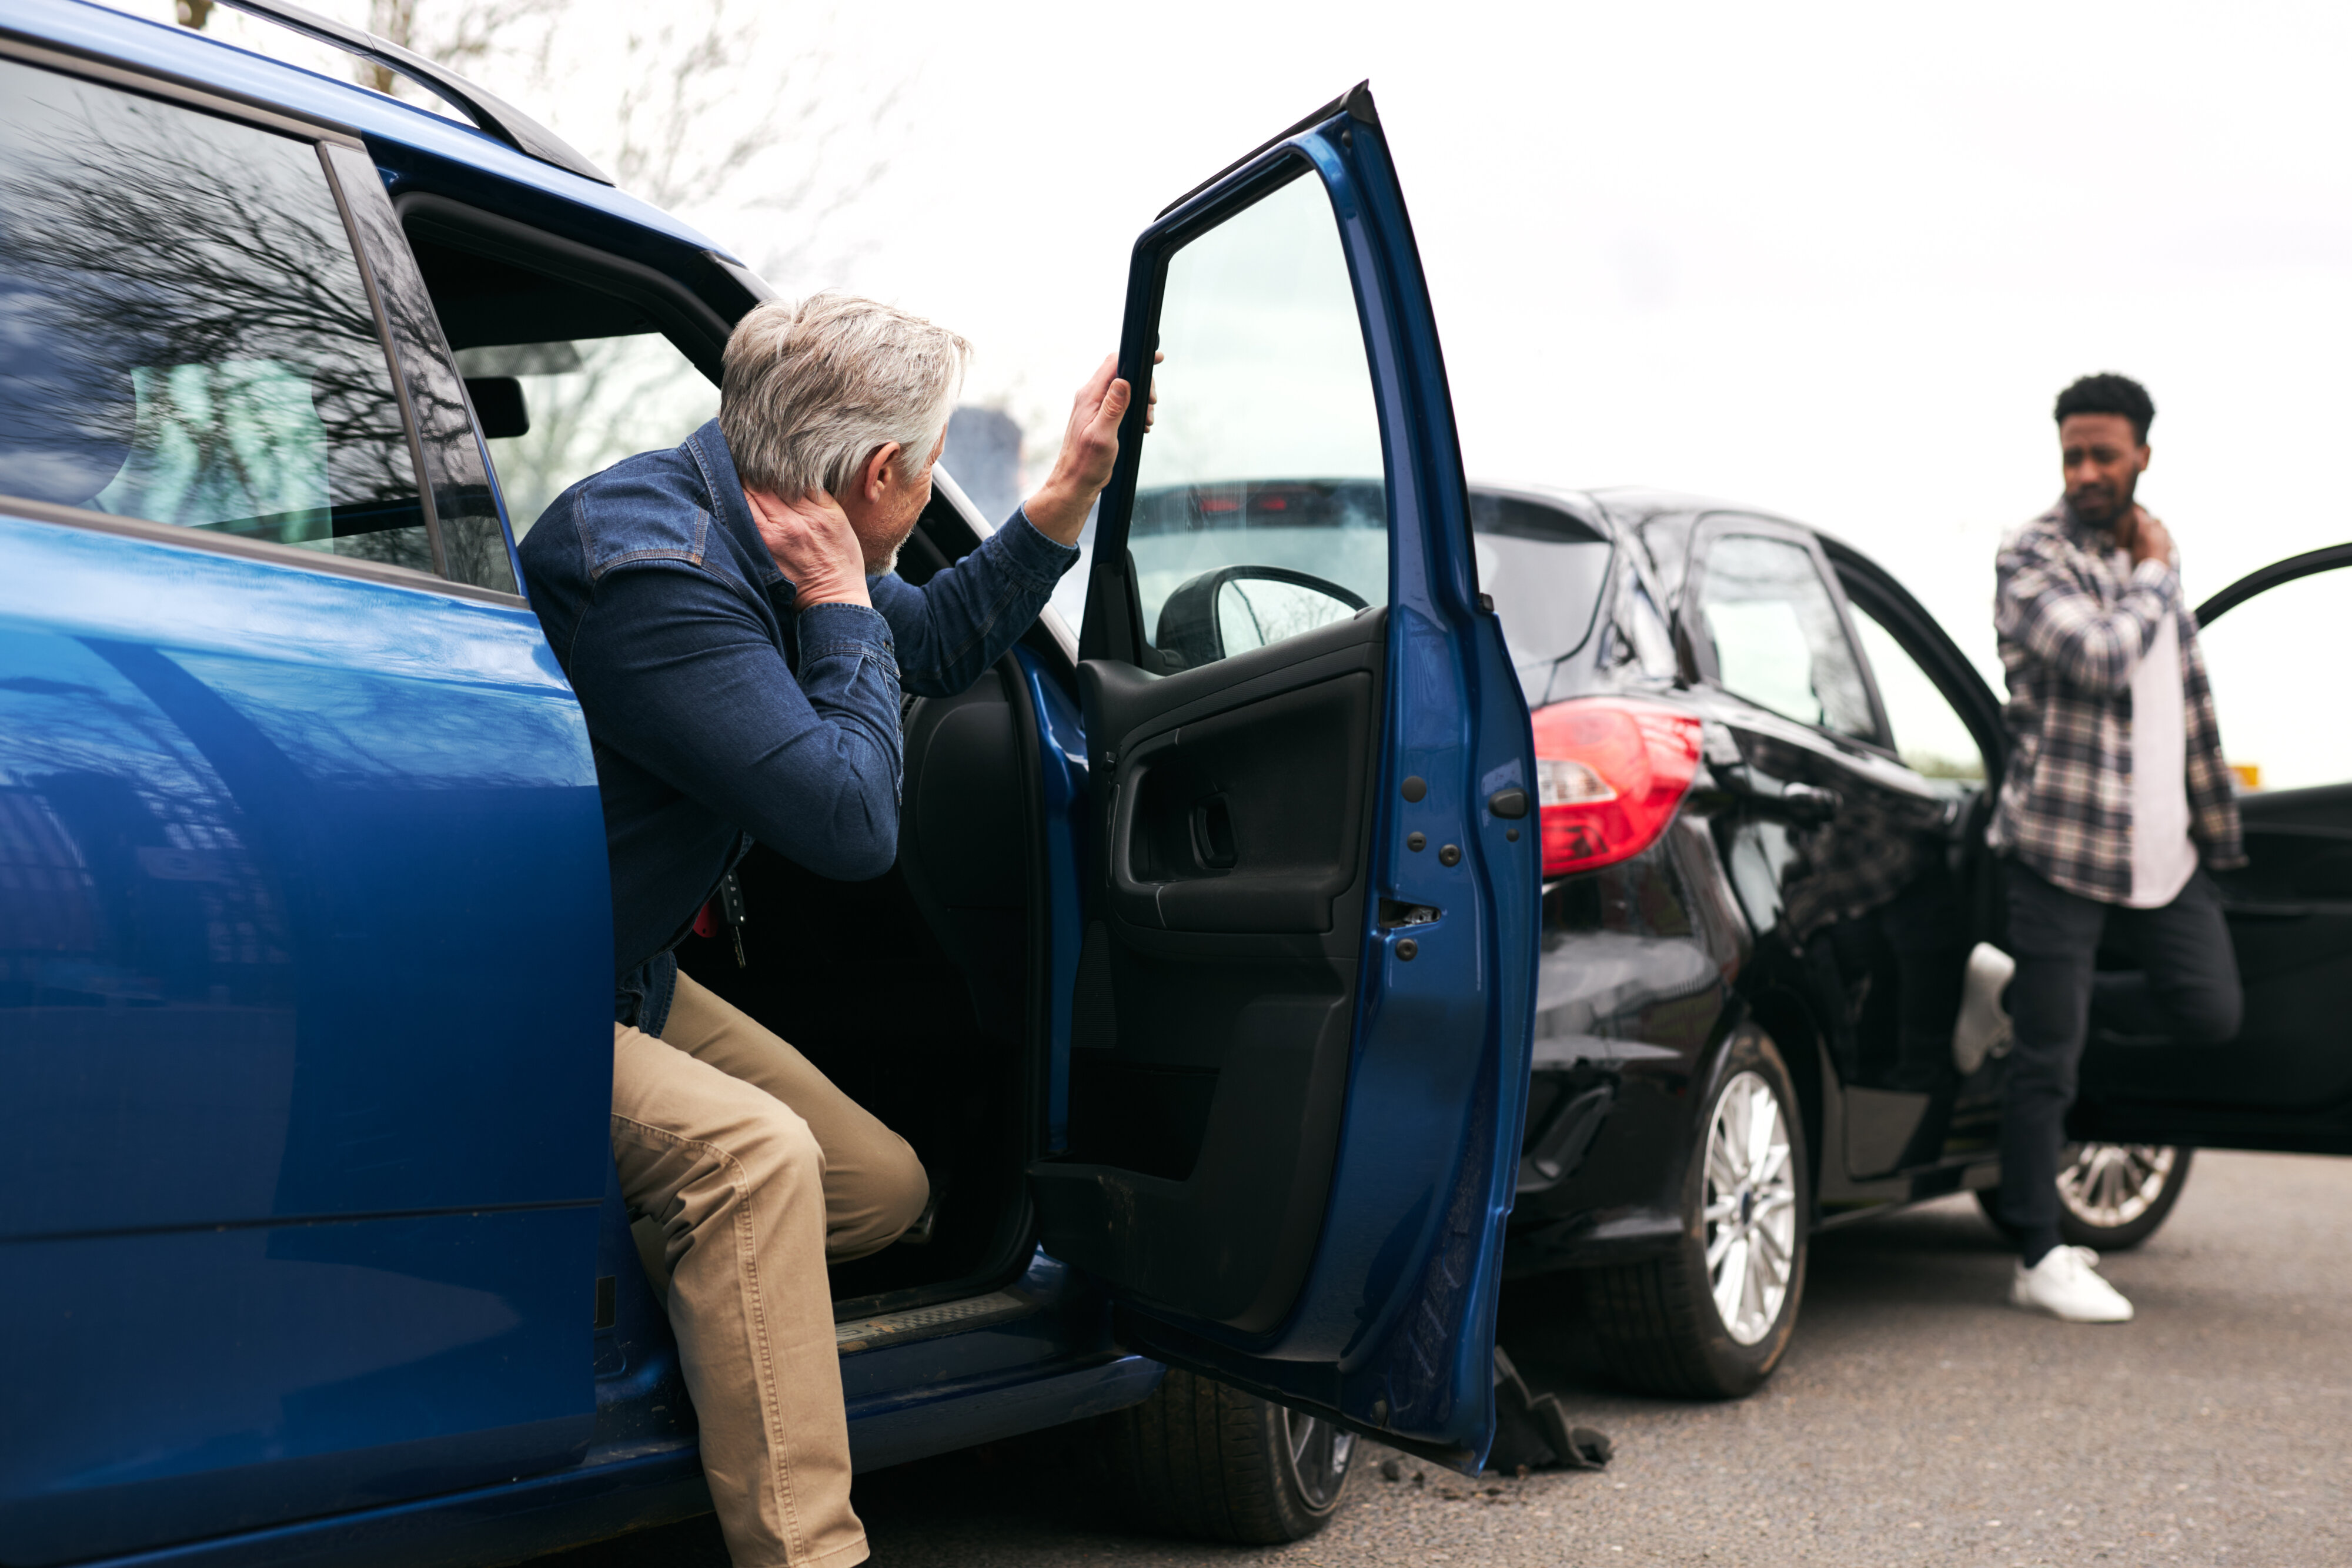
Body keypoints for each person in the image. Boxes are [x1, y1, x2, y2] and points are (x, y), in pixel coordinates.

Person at [519, 293, 1138, 1567]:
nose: (921, 494)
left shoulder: (775, 525)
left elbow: (948, 634)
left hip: (623, 970)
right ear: (877, 474)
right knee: (755, 1161)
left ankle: (590, 1285)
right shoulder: (660, 575)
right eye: (928, 468)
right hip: (524, 987)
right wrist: (843, 606)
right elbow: (850, 822)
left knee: (883, 1185)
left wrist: (1068, 489)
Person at [1989, 372, 2245, 1324]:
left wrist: (2217, 829)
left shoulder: (2152, 559)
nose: (2088, 471)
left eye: (2105, 453)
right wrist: (2154, 574)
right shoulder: (2032, 555)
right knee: (2047, 1060)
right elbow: (2096, 658)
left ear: (2143, 452)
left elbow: (2186, 700)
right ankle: (2035, 1250)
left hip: (2162, 849)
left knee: (2211, 1007)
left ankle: (2015, 994)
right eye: (2073, 455)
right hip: (2058, 842)